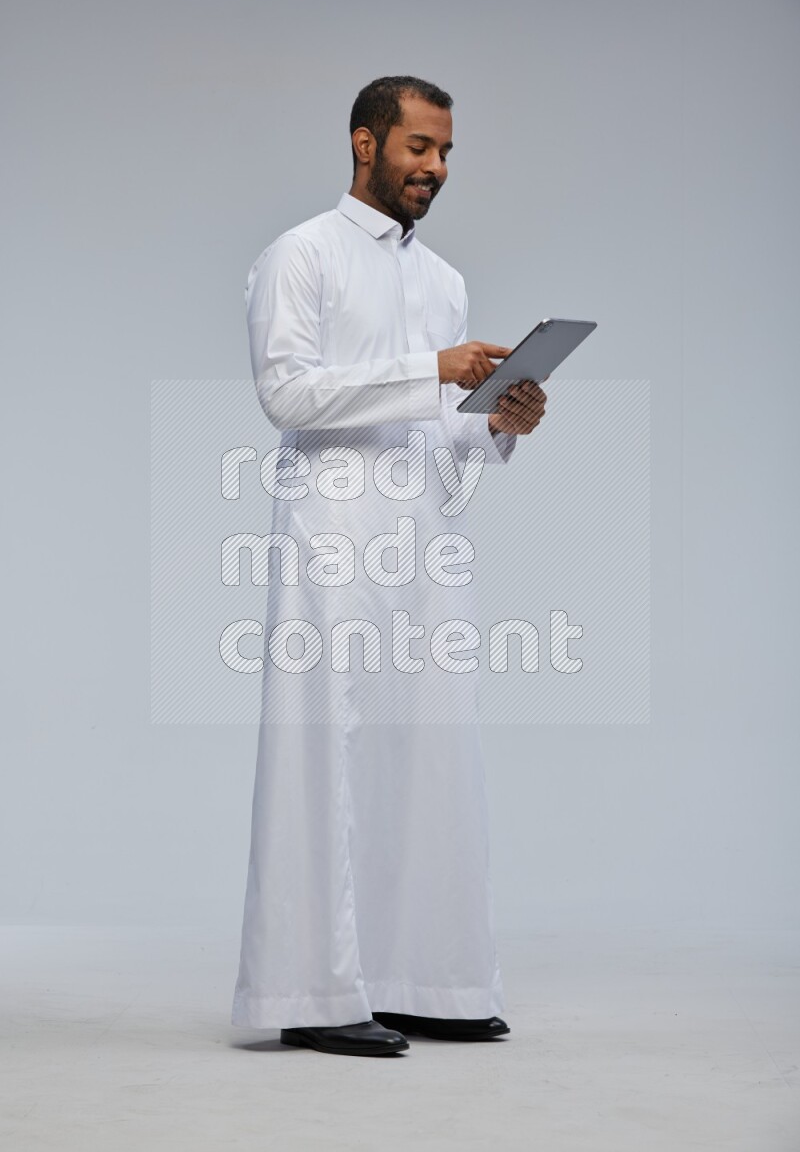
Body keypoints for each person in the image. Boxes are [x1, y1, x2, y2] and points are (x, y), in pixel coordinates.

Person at [231, 75, 547, 1056]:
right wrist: (433, 372)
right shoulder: (301, 255)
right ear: (363, 143)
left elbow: (443, 438)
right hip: (332, 539)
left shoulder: (441, 280)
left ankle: (424, 977)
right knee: (326, 749)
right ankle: (312, 992)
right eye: (417, 147)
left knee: (429, 751)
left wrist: (495, 420)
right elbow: (286, 394)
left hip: (422, 545)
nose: (434, 169)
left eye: (444, 152)